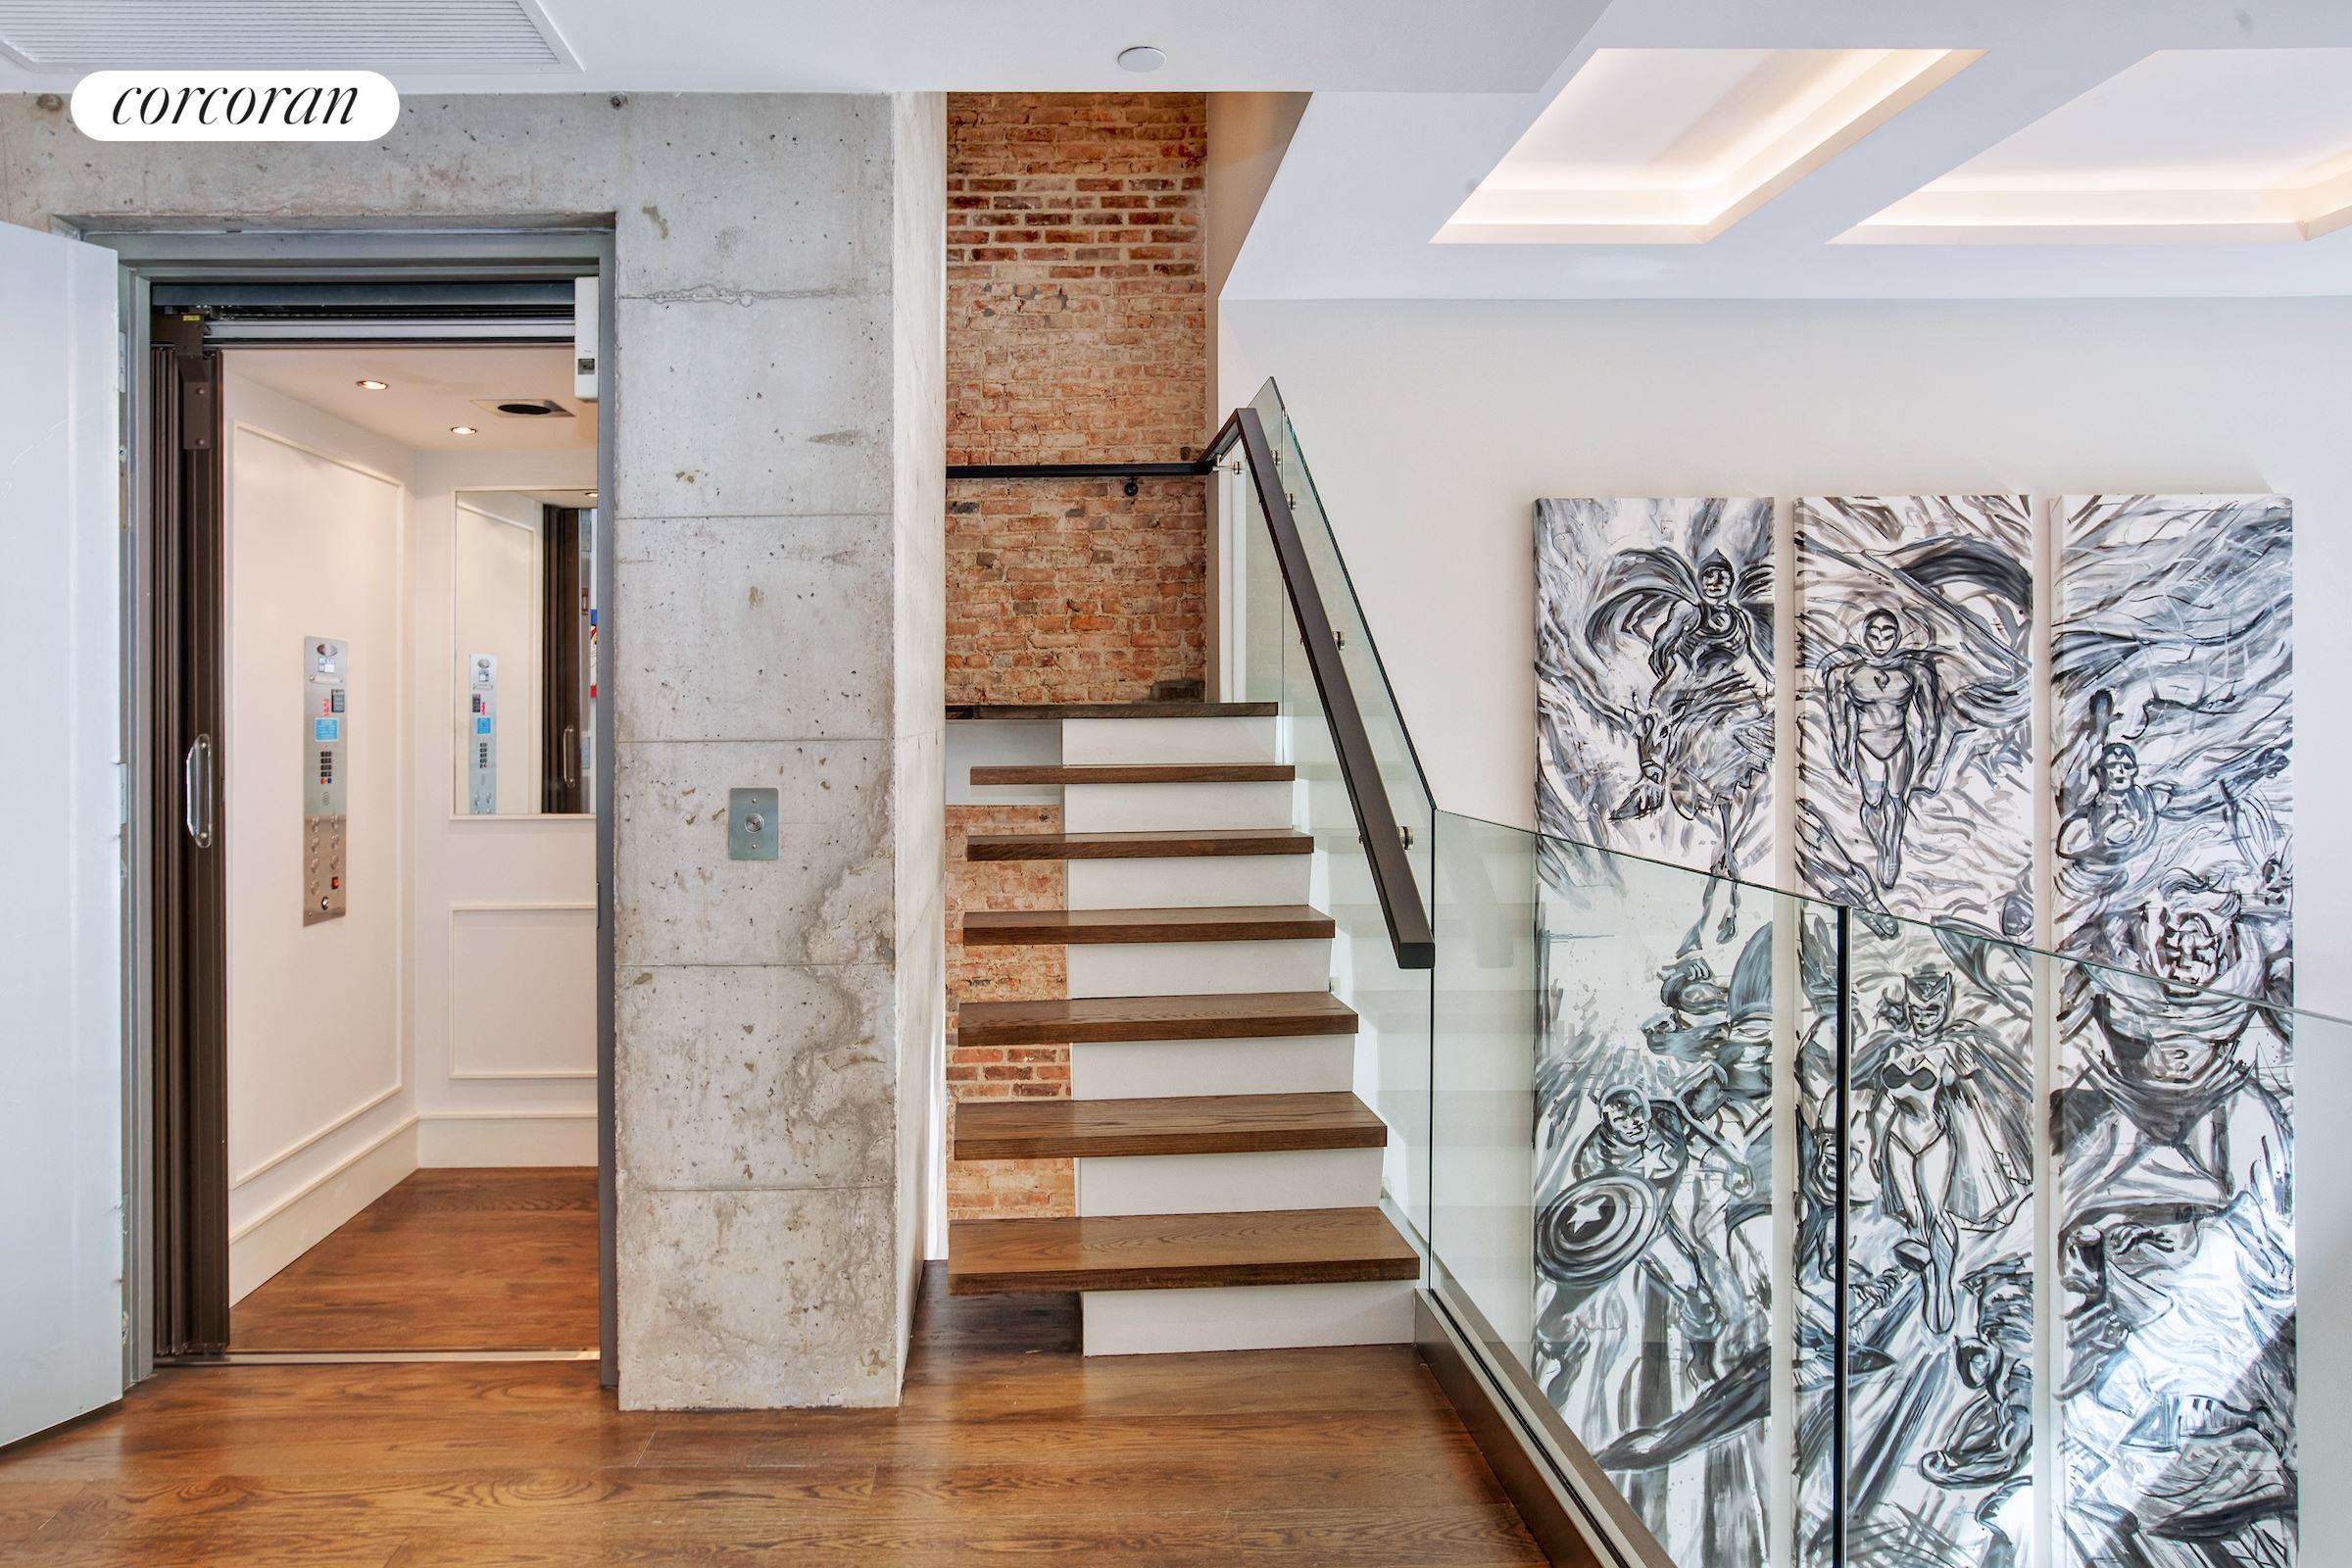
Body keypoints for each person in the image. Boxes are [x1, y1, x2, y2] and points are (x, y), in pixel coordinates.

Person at [1819, 608, 1942, 889]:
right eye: (1874, 635)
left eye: (1887, 635)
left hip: (1900, 744)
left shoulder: (1915, 672)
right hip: (1866, 745)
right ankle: (1880, 841)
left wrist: (1928, 751)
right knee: (1873, 802)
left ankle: (1891, 850)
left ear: (1897, 637)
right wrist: (1842, 752)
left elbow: (1930, 719)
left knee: (1896, 800)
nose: (1880, 641)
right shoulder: (1845, 674)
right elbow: (1839, 720)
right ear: (1865, 636)